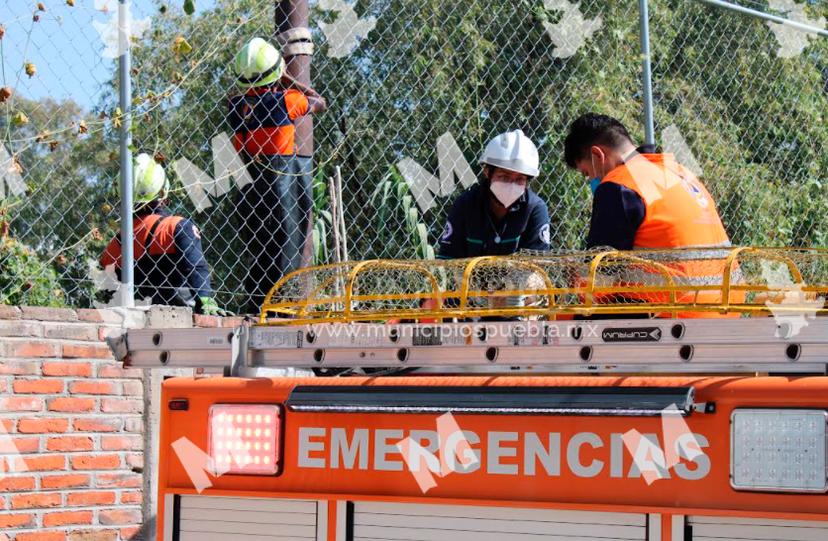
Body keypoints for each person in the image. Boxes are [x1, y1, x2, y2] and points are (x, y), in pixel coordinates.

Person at [563, 113, 737, 317]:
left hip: (673, 317)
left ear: (597, 156)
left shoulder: (619, 186)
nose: (591, 180)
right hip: (728, 309)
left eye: (587, 173)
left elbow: (599, 280)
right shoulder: (680, 174)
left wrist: (573, 279)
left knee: (567, 323)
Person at [228, 37, 327, 311]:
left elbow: (235, 96)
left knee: (259, 248)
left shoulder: (235, 107)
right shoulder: (288, 100)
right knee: (285, 243)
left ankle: (255, 301)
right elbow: (319, 102)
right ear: (276, 71)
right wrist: (288, 79)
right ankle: (278, 303)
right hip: (281, 186)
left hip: (250, 183)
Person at [100, 154, 229, 315]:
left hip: (134, 320)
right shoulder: (175, 227)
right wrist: (206, 300)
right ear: (163, 192)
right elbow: (196, 267)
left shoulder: (115, 245)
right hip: (181, 316)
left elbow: (108, 289)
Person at [437, 129, 551, 259]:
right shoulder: (465, 205)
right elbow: (448, 261)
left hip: (520, 278)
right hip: (466, 278)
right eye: (504, 177)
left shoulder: (535, 209)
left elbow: (537, 269)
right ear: (487, 172)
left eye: (520, 179)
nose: (511, 185)